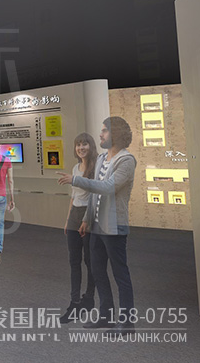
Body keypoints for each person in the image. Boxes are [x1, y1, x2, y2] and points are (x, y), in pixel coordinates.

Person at [58, 117, 137, 335]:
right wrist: (86, 219)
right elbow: (94, 195)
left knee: (120, 274)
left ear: (116, 134)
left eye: (104, 131)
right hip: (96, 226)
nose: (100, 135)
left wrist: (75, 180)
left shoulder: (126, 160)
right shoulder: (102, 158)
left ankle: (127, 323)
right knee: (97, 271)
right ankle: (106, 316)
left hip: (114, 227)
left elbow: (107, 187)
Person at [58, 133, 98, 324]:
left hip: (89, 217)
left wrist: (86, 219)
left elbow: (95, 196)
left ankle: (89, 297)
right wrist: (68, 219)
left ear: (91, 146)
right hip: (75, 215)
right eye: (78, 144)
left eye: (85, 144)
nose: (81, 148)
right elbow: (74, 196)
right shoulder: (75, 168)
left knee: (90, 261)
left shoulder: (96, 168)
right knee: (74, 261)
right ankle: (74, 303)